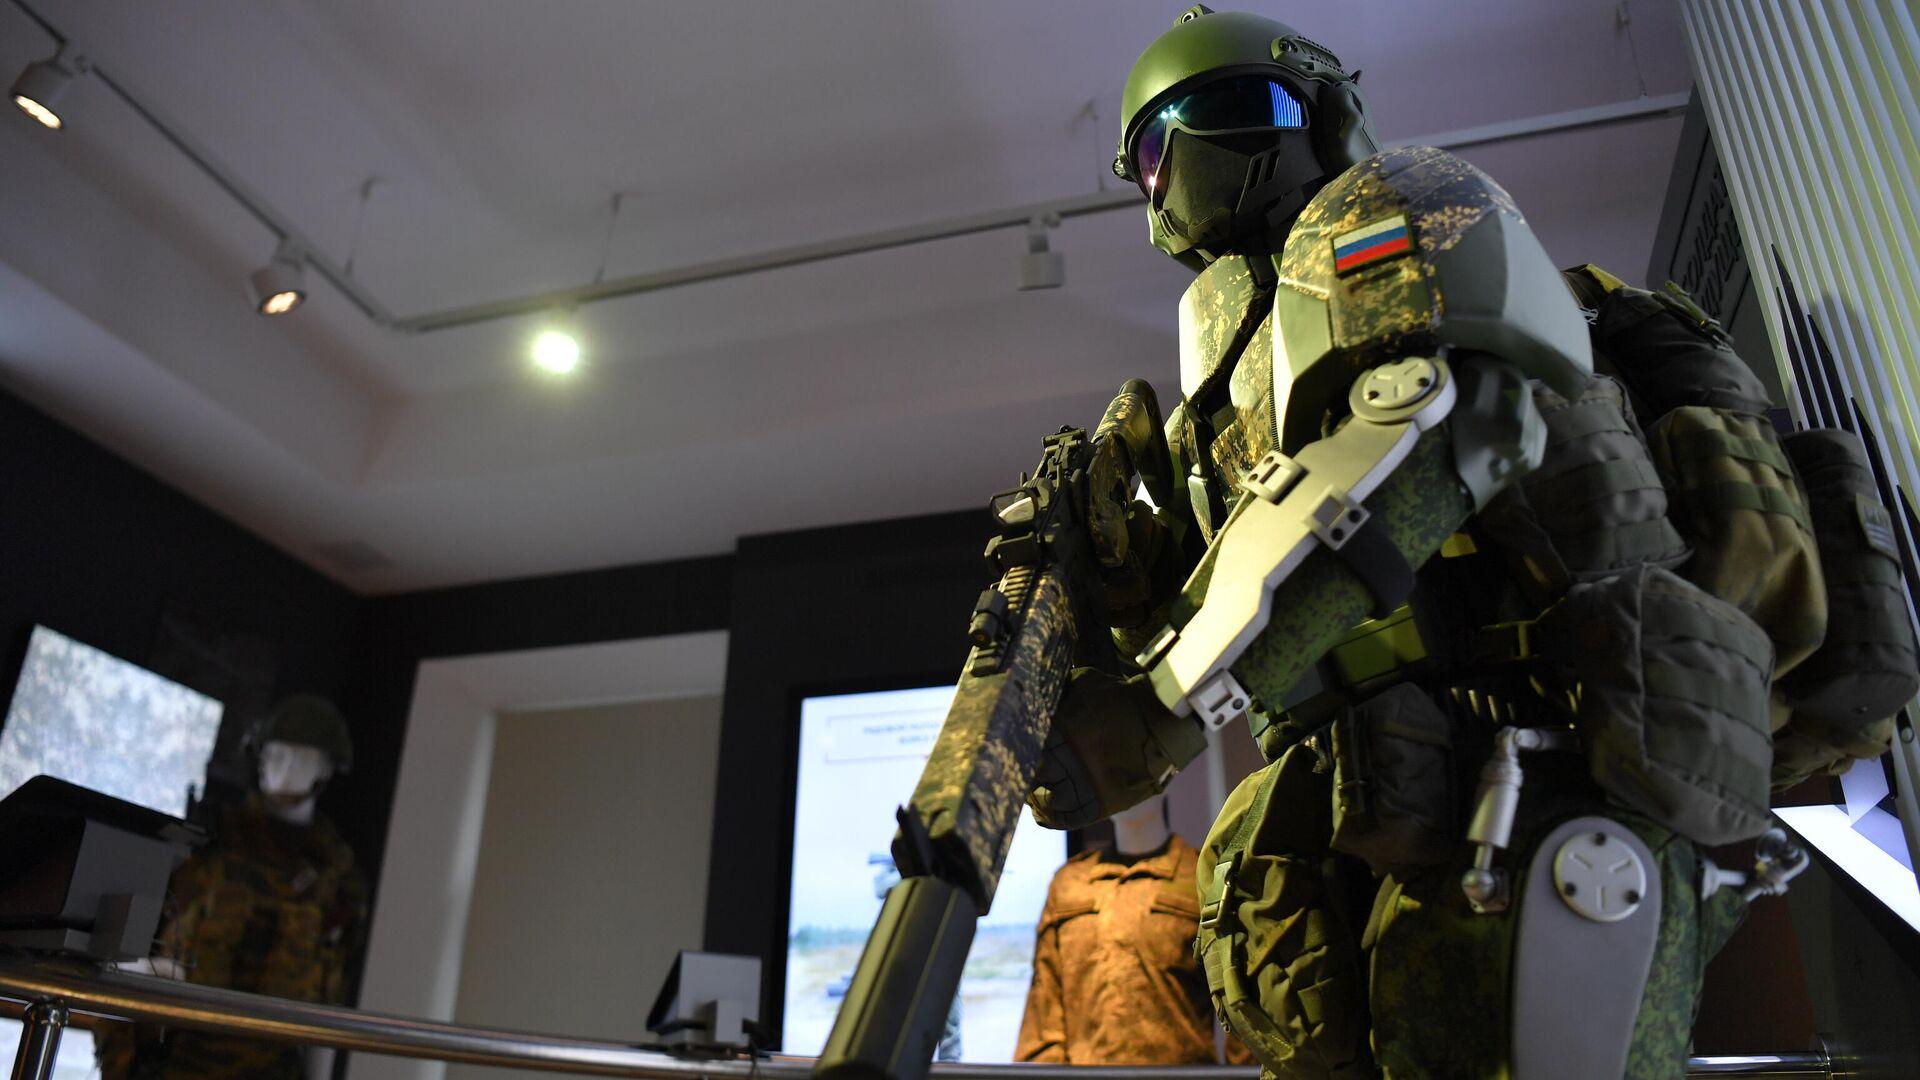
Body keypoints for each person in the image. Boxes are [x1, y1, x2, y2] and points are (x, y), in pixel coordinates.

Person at [1022, 7, 1908, 1078]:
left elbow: (1443, 435)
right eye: (1155, 151)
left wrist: (1161, 709)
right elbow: (1231, 605)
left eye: (1233, 113)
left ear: (1323, 117)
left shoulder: (1393, 207)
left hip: (1537, 779)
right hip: (1376, 816)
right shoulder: (1223, 400)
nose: (1185, 169)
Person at [98, 694, 367, 1080]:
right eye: (274, 755)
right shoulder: (211, 836)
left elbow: (330, 994)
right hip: (180, 1054)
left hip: (271, 1063)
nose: (282, 768)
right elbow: (137, 942)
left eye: (299, 758)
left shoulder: (335, 871)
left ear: (325, 770)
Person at [1016, 795, 1249, 1065]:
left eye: (1134, 776)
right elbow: (1043, 1020)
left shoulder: (1203, 880)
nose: (1123, 788)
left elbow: (1244, 1018)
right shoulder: (1068, 886)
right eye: (1110, 777)